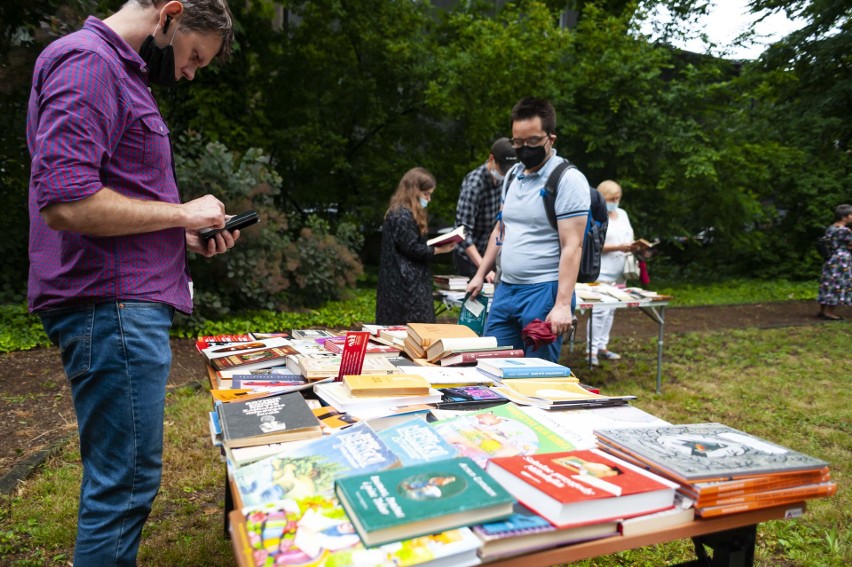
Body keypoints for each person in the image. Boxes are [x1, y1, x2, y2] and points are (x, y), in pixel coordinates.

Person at [26, 1, 236, 564]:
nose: (189, 72)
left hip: (118, 299)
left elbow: (115, 201)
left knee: (124, 483)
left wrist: (180, 235)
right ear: (169, 13)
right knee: (123, 488)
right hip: (109, 303)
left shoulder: (119, 73)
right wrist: (181, 214)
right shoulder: (87, 64)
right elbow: (67, 203)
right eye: (193, 56)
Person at [467, 97, 590, 363]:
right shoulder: (512, 176)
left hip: (543, 292)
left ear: (551, 139)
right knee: (491, 366)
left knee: (535, 376)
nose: (525, 149)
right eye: (518, 142)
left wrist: (561, 304)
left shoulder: (568, 180)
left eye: (533, 141)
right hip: (505, 289)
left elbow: (573, 245)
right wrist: (480, 273)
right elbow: (502, 228)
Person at [375, 167, 455, 325]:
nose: (428, 199)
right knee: (412, 332)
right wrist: (438, 249)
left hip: (405, 286)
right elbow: (412, 248)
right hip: (405, 289)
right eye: (426, 194)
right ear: (414, 191)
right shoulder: (402, 215)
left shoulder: (402, 212)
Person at [588, 180, 637, 365]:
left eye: (618, 198)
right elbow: (592, 245)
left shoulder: (622, 214)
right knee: (599, 311)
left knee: (611, 311)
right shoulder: (595, 215)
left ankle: (602, 346)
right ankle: (590, 351)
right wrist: (618, 247)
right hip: (601, 271)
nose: (615, 201)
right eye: (612, 198)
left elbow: (629, 237)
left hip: (620, 271)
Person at [453, 137, 517, 279]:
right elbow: (462, 233)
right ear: (491, 159)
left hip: (491, 252)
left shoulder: (506, 181)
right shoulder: (474, 185)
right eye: (502, 169)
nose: (504, 174)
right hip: (469, 256)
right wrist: (483, 268)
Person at [817, 204, 852, 320]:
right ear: (844, 217)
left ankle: (822, 310)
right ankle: (830, 312)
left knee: (827, 283)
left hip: (830, 257)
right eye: (850, 215)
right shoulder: (845, 231)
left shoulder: (831, 228)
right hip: (841, 260)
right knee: (837, 284)